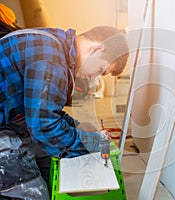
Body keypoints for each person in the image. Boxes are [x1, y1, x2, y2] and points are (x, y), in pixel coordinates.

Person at [0, 26, 129, 199]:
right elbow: (43, 126)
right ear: (96, 49)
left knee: (49, 162)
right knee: (34, 194)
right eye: (100, 70)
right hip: (6, 128)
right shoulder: (52, 58)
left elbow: (45, 111)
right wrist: (93, 143)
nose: (94, 77)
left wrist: (76, 126)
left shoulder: (54, 45)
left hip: (10, 120)